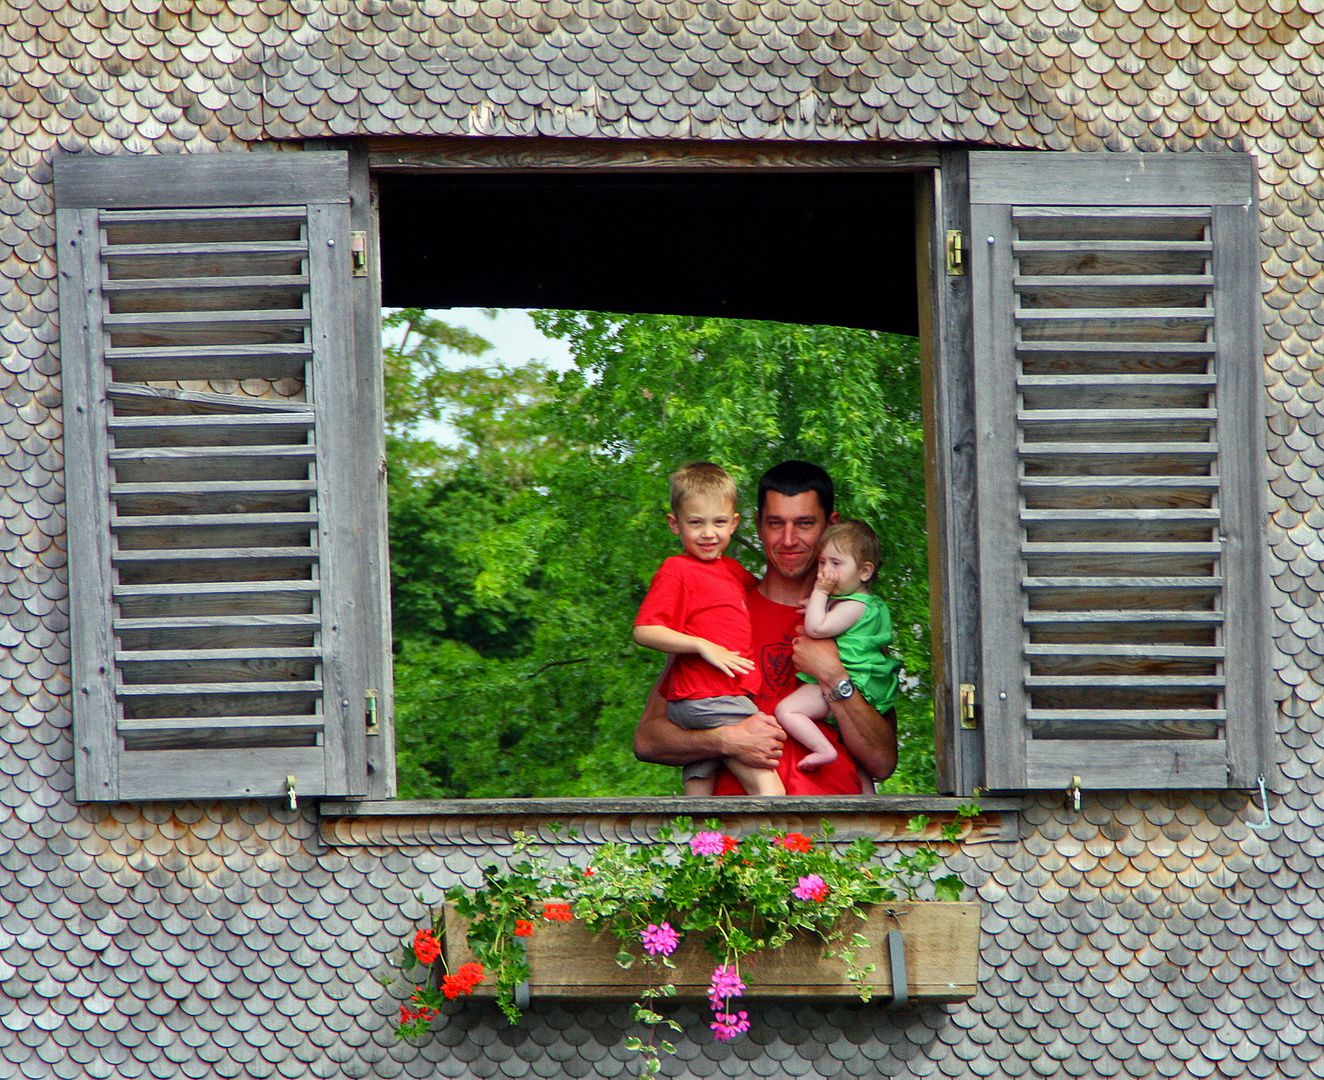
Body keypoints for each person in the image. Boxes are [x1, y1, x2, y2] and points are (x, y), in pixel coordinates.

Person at [634, 461, 898, 795]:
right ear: (758, 525)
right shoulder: (720, 611)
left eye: (804, 523)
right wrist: (723, 740)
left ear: (831, 525)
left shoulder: (856, 621)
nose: (788, 539)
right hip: (741, 834)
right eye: (776, 523)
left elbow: (882, 762)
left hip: (837, 829)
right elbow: (648, 740)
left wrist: (833, 675)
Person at [632, 463, 785, 797]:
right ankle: (781, 848)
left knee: (700, 785)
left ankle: (699, 844)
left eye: (718, 522)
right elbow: (644, 630)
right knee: (766, 780)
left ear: (734, 523)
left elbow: (766, 592)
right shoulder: (676, 570)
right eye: (696, 523)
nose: (708, 533)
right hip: (711, 694)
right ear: (675, 524)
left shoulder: (730, 570)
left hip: (700, 701)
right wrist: (702, 646)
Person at [775, 520, 901, 790]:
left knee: (786, 710)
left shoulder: (854, 606)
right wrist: (825, 603)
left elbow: (816, 628)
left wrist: (819, 594)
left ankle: (823, 750)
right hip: (864, 684)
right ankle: (867, 795)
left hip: (847, 679)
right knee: (855, 757)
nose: (825, 572)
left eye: (836, 563)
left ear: (865, 572)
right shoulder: (867, 604)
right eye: (822, 563)